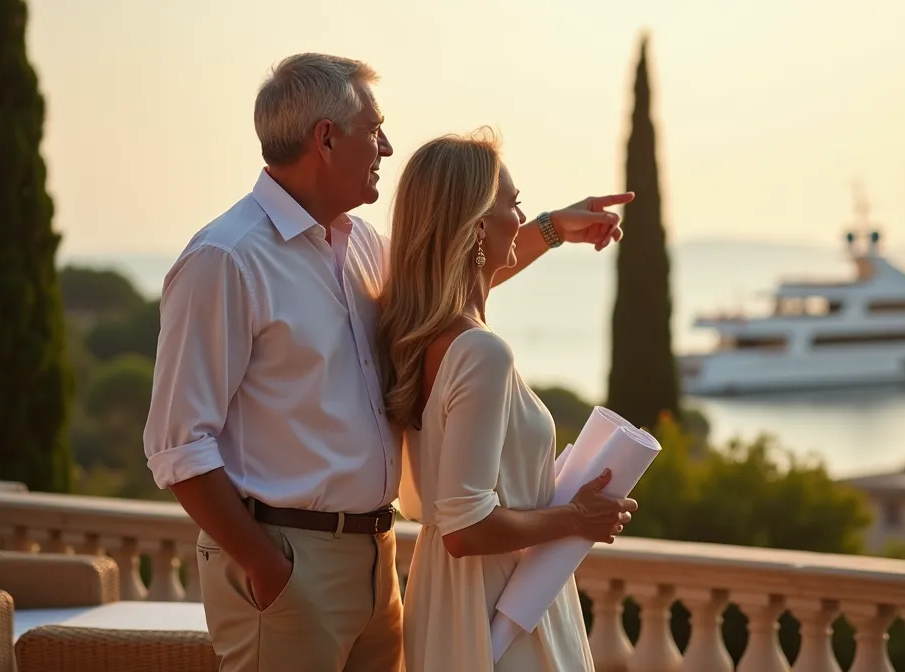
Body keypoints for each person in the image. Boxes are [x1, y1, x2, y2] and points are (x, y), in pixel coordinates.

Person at [142, 53, 634, 672]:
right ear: (326, 139)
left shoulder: (361, 248)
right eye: (374, 130)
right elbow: (179, 448)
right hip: (291, 561)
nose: (388, 147)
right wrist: (268, 567)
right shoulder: (226, 260)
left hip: (381, 563)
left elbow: (455, 269)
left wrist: (550, 229)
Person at [376, 130, 640, 672]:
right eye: (513, 206)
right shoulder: (481, 352)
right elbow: (467, 529)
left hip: (448, 599)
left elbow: (472, 274)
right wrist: (576, 519)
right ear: (477, 225)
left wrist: (553, 228)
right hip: (501, 603)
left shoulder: (419, 332)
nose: (520, 220)